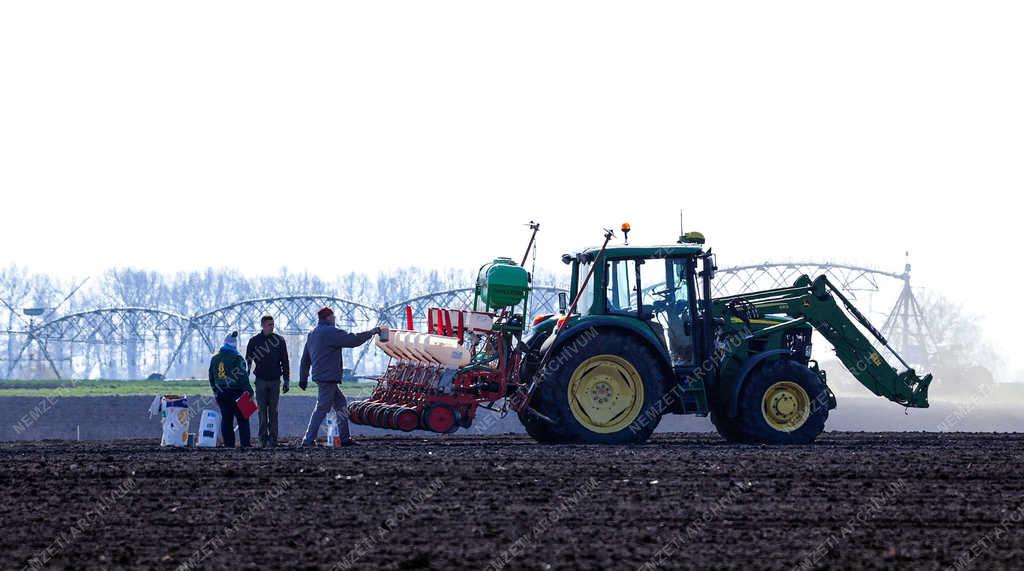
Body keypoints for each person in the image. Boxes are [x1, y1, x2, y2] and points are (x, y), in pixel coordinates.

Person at [299, 307, 384, 447]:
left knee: (341, 405)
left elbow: (305, 358)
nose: (334, 319)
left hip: (322, 376)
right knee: (322, 408)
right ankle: (308, 440)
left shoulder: (312, 333)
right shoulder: (330, 332)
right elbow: (352, 340)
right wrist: (371, 332)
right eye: (333, 317)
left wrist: (303, 377)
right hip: (328, 377)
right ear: (328, 317)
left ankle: (344, 439)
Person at [245, 315, 290, 448]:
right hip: (260, 381)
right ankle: (262, 440)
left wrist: (286, 380)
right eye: (269, 324)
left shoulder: (279, 340)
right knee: (262, 412)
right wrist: (246, 375)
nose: (272, 326)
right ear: (263, 325)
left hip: (275, 380)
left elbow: (285, 361)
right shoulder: (254, 341)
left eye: (273, 324)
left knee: (273, 412)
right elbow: (248, 360)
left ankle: (273, 440)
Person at [208, 331, 254, 448]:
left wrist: (216, 392)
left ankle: (228, 445)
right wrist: (250, 392)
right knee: (243, 419)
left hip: (221, 394)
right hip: (237, 392)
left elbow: (211, 377)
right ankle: (245, 444)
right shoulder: (238, 358)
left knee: (226, 419)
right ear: (235, 345)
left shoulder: (215, 359)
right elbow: (243, 377)